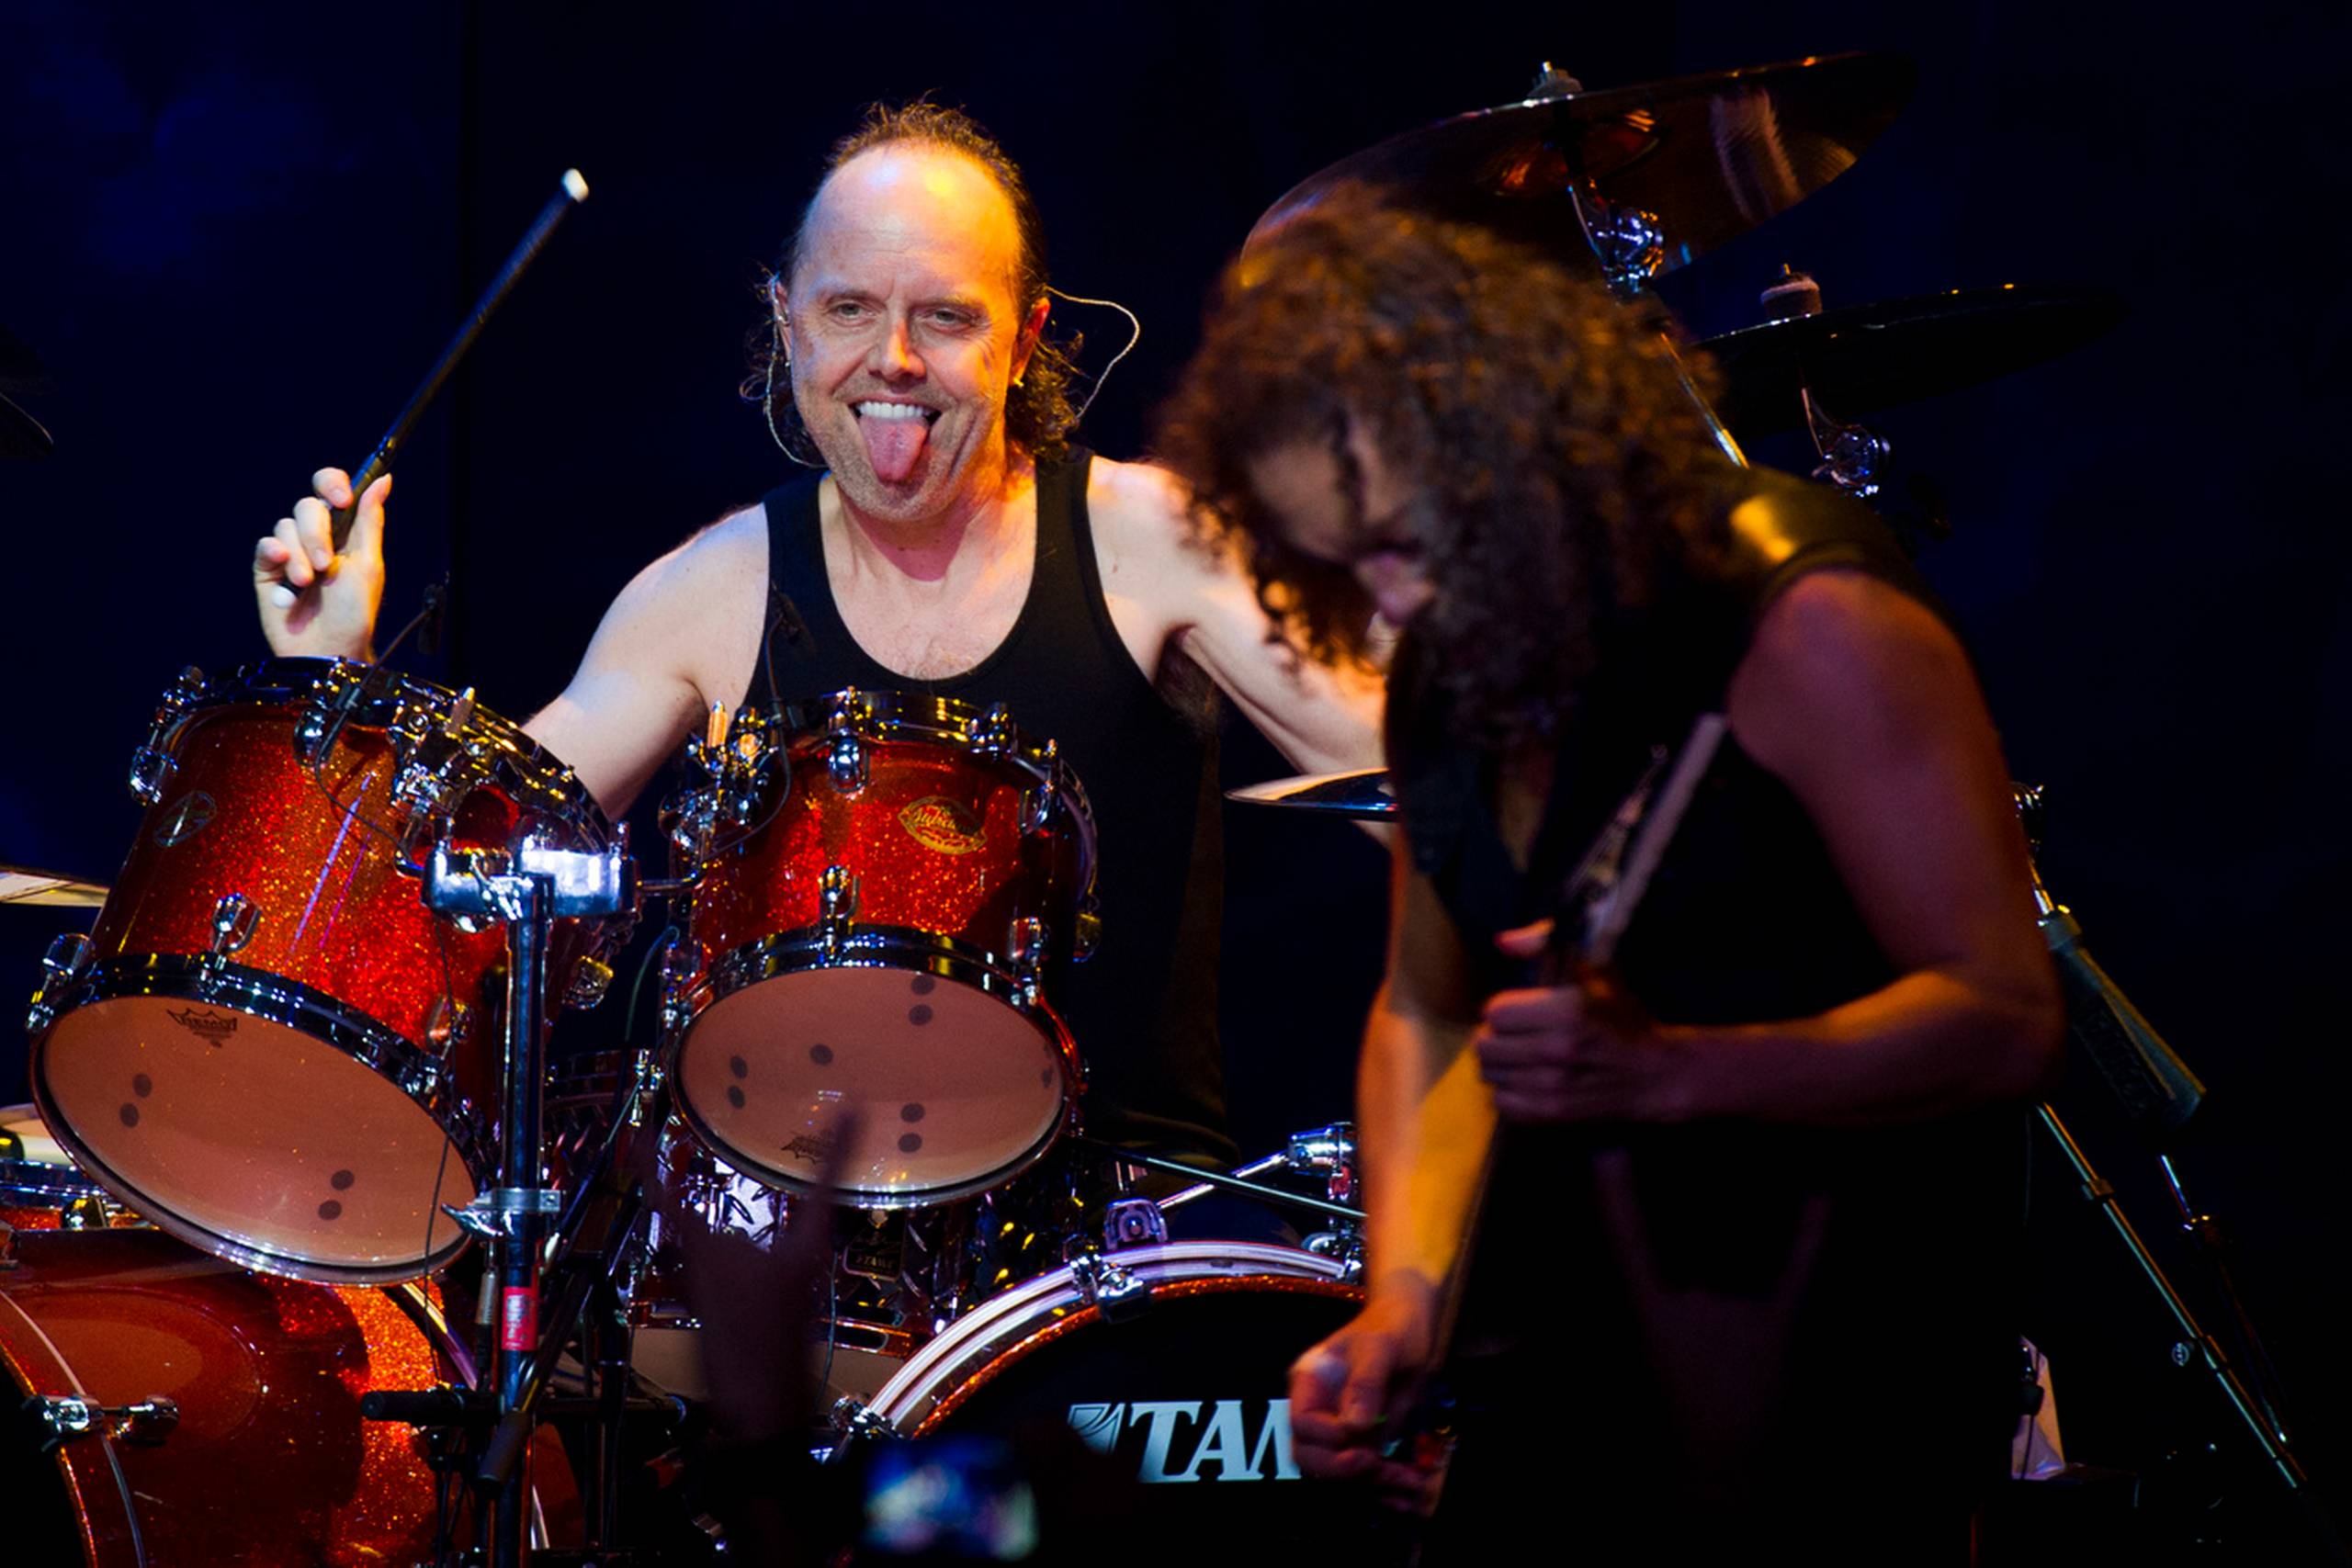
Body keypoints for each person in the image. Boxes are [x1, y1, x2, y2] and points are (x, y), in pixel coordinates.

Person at [1157, 189, 2065, 1562]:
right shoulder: (1455, 666)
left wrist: (1680, 1070)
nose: (1390, 606)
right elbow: (1432, 1004)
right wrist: (1402, 1294)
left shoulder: (1805, 616)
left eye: (1402, 549)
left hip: (1827, 1379)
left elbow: (2003, 1013)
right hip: (1570, 1378)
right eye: (1347, 563)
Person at [251, 102, 1382, 1173]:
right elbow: (453, 885)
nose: (892, 357)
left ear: (1026, 337)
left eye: (944, 315)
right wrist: (331, 676)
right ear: (787, 321)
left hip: (1112, 1260)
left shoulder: (1158, 541)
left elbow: (1432, 802)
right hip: (798, 1267)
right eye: (848, 310)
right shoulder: (708, 591)